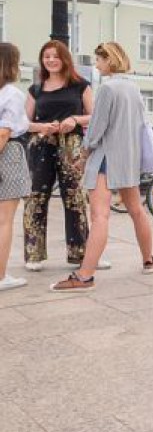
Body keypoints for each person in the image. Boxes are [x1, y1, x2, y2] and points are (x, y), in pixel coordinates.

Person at [51, 42, 153, 292]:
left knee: (99, 216)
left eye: (99, 60)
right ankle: (149, 260)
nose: (97, 65)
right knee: (137, 211)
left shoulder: (107, 89)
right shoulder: (133, 88)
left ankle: (85, 276)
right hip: (128, 159)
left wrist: (83, 155)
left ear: (109, 60)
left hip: (106, 159)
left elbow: (97, 130)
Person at [23, 40, 92, 271]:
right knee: (36, 198)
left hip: (71, 144)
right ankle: (34, 254)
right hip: (41, 144)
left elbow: (94, 116)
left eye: (55, 56)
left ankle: (80, 254)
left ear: (64, 59)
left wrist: (74, 119)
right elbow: (24, 122)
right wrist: (41, 127)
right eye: (46, 56)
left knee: (74, 198)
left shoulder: (80, 85)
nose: (51, 60)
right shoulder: (36, 89)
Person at [0, 43, 31, 291]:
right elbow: (4, 133)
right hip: (7, 154)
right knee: (4, 221)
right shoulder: (12, 94)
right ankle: (0, 276)